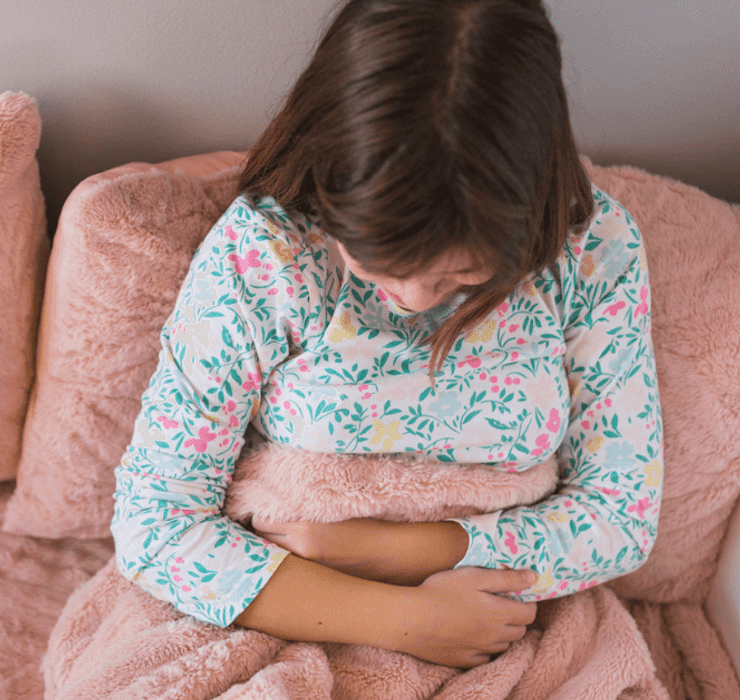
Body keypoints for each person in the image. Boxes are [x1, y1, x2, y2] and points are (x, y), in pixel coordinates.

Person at [109, 0, 663, 670]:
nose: (412, 300)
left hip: (496, 608)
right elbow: (155, 525)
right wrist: (399, 620)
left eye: (460, 276)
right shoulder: (268, 250)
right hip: (273, 596)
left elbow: (618, 518)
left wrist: (395, 549)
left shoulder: (591, 249)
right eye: (376, 263)